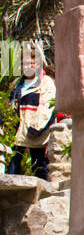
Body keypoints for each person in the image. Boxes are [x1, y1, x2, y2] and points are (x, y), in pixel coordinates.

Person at [7, 42, 56, 180]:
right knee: (13, 166)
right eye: (25, 63)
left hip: (36, 134)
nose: (28, 66)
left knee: (39, 166)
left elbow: (47, 106)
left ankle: (41, 197)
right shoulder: (19, 85)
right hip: (19, 133)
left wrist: (36, 128)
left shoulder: (45, 83)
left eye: (32, 63)